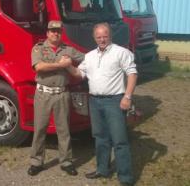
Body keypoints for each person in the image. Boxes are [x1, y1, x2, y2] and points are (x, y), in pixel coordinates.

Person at [67, 22, 137, 186]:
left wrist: (127, 97)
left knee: (119, 140)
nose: (102, 39)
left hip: (114, 101)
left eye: (105, 36)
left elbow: (132, 74)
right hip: (95, 101)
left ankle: (125, 178)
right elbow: (79, 74)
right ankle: (102, 169)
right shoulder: (90, 55)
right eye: (98, 37)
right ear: (94, 37)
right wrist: (68, 66)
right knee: (100, 138)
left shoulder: (121, 52)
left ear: (110, 35)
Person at [28, 20, 84, 176]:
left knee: (64, 130)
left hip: (62, 94)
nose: (55, 33)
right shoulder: (38, 48)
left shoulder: (69, 50)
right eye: (52, 31)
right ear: (47, 33)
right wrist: (62, 65)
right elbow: (39, 67)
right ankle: (36, 162)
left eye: (58, 31)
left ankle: (66, 162)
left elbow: (87, 59)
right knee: (39, 129)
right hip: (43, 94)